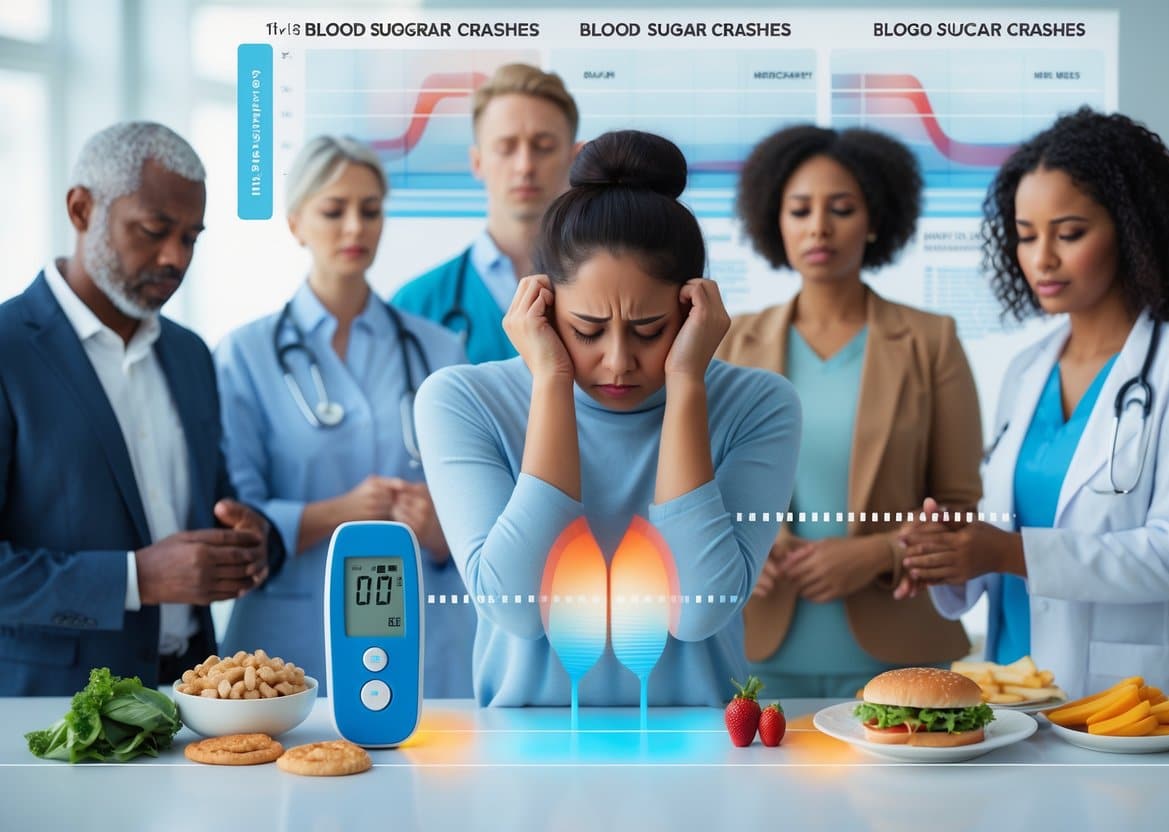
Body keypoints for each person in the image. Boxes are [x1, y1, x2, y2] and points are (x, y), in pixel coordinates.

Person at [414, 130, 801, 707]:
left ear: (692, 309)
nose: (618, 361)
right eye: (588, 331)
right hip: (521, 743)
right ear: (543, 306)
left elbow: (698, 612)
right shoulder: (461, 401)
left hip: (699, 744)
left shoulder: (758, 406)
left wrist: (687, 383)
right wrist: (551, 380)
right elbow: (517, 609)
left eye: (650, 330)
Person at [898, 108, 1169, 701]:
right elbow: (1005, 530)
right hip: (1012, 680)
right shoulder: (1026, 371)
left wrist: (1010, 552)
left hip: (1125, 691)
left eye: (1068, 234)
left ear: (1132, 230)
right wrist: (948, 551)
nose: (1041, 258)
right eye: (1026, 235)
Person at [0, 122, 282, 695]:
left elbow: (210, 504)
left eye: (191, 238)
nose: (175, 257)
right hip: (55, 712)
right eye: (154, 230)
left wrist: (253, 542)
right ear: (81, 210)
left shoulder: (190, 354)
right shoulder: (8, 351)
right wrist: (135, 579)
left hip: (192, 698)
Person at [716, 125, 982, 698]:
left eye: (841, 209)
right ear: (774, 222)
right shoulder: (730, 342)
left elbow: (959, 506)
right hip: (752, 647)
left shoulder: (931, 341)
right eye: (799, 210)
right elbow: (691, 487)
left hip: (901, 656)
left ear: (875, 220)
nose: (819, 227)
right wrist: (743, 546)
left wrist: (882, 553)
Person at [215, 136, 471, 697]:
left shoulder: (438, 349)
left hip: (422, 629)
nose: (355, 227)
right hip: (290, 632)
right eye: (334, 211)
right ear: (296, 224)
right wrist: (340, 513)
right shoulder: (245, 355)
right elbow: (238, 512)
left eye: (370, 210)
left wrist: (439, 531)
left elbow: (473, 503)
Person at [391, 63, 580, 363]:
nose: (525, 166)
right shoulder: (415, 306)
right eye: (506, 147)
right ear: (477, 162)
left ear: (574, 158)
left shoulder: (612, 295)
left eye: (543, 146)